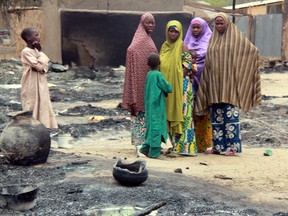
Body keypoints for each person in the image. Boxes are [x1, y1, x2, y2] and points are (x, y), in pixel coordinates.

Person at [195, 13, 261, 156]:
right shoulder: (213, 39)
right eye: (217, 24)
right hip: (214, 85)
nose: (219, 26)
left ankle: (232, 147)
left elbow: (251, 50)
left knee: (229, 117)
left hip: (229, 86)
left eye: (221, 23)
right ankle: (218, 146)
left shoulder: (235, 38)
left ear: (227, 24)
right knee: (216, 117)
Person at [159, 20, 197, 156]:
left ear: (180, 32)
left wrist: (176, 79)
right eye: (171, 30)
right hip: (168, 88)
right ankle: (175, 146)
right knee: (170, 115)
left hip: (182, 87)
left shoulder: (183, 46)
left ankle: (186, 148)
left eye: (176, 31)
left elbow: (187, 66)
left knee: (184, 116)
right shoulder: (164, 47)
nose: (173, 33)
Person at [122, 13, 157, 152]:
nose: (151, 25)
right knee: (141, 114)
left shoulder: (146, 40)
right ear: (142, 23)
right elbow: (132, 51)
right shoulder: (139, 43)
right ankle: (140, 143)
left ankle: (141, 143)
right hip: (140, 86)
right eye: (148, 23)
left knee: (144, 115)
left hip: (148, 83)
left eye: (153, 23)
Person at [184, 17, 213, 153]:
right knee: (190, 111)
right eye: (193, 27)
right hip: (189, 83)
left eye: (198, 27)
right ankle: (191, 142)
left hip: (205, 82)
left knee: (203, 111)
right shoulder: (186, 41)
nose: (195, 30)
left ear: (203, 28)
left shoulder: (210, 40)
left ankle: (204, 143)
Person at [20, 28, 58, 129]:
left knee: (43, 101)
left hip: (41, 80)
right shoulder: (26, 52)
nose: (39, 37)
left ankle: (44, 125)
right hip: (31, 82)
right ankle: (31, 125)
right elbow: (39, 66)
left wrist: (40, 67)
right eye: (36, 35)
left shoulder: (36, 50)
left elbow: (44, 67)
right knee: (32, 102)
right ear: (28, 38)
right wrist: (40, 56)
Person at [140, 53, 172, 159]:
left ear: (148, 64)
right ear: (159, 63)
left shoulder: (149, 74)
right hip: (157, 106)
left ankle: (145, 148)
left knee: (151, 127)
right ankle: (154, 153)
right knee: (156, 128)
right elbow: (167, 87)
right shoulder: (158, 75)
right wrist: (170, 85)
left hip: (149, 105)